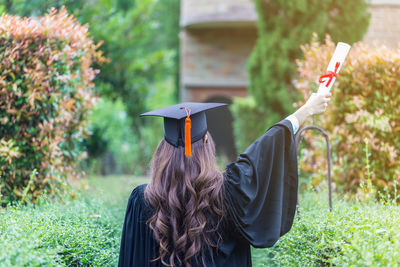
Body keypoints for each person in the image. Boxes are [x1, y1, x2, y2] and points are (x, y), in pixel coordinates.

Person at [118, 92, 331, 267]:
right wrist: (306, 110)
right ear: (206, 143)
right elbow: (264, 151)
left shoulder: (142, 199)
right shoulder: (228, 192)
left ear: (163, 150)